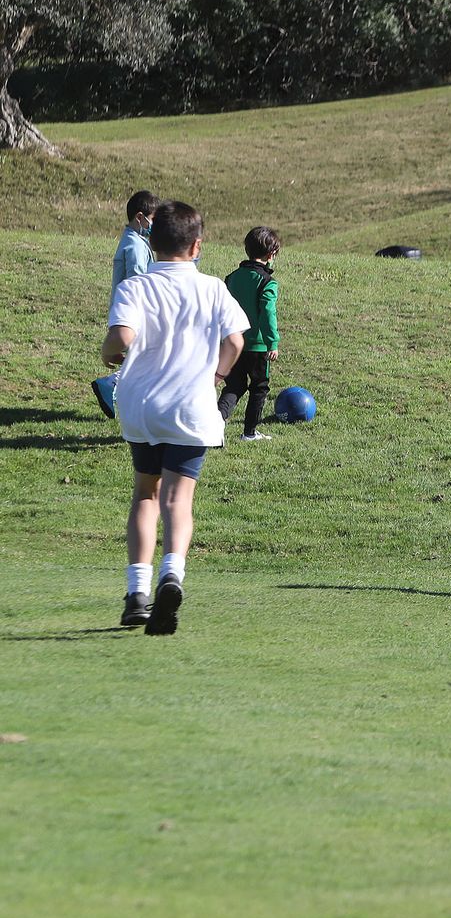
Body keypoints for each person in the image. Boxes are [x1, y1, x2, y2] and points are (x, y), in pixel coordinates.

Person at [102, 201, 249, 634]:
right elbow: (236, 341)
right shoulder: (214, 288)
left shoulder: (136, 286)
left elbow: (119, 342)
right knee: (177, 499)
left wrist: (109, 352)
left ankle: (136, 595)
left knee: (146, 493)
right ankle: (173, 574)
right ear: (197, 245)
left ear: (151, 242)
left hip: (142, 407)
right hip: (191, 405)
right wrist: (217, 375)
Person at [91, 190, 160, 418]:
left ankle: (124, 396)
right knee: (149, 359)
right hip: (134, 313)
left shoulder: (137, 241)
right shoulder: (135, 246)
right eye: (153, 219)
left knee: (145, 360)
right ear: (140, 217)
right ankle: (111, 383)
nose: (154, 225)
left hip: (129, 312)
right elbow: (137, 280)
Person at [219, 226, 282, 441]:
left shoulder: (231, 278)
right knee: (259, 388)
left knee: (234, 385)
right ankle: (249, 433)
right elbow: (267, 312)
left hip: (232, 343)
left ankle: (217, 422)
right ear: (271, 254)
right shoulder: (268, 282)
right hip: (257, 346)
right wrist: (272, 342)